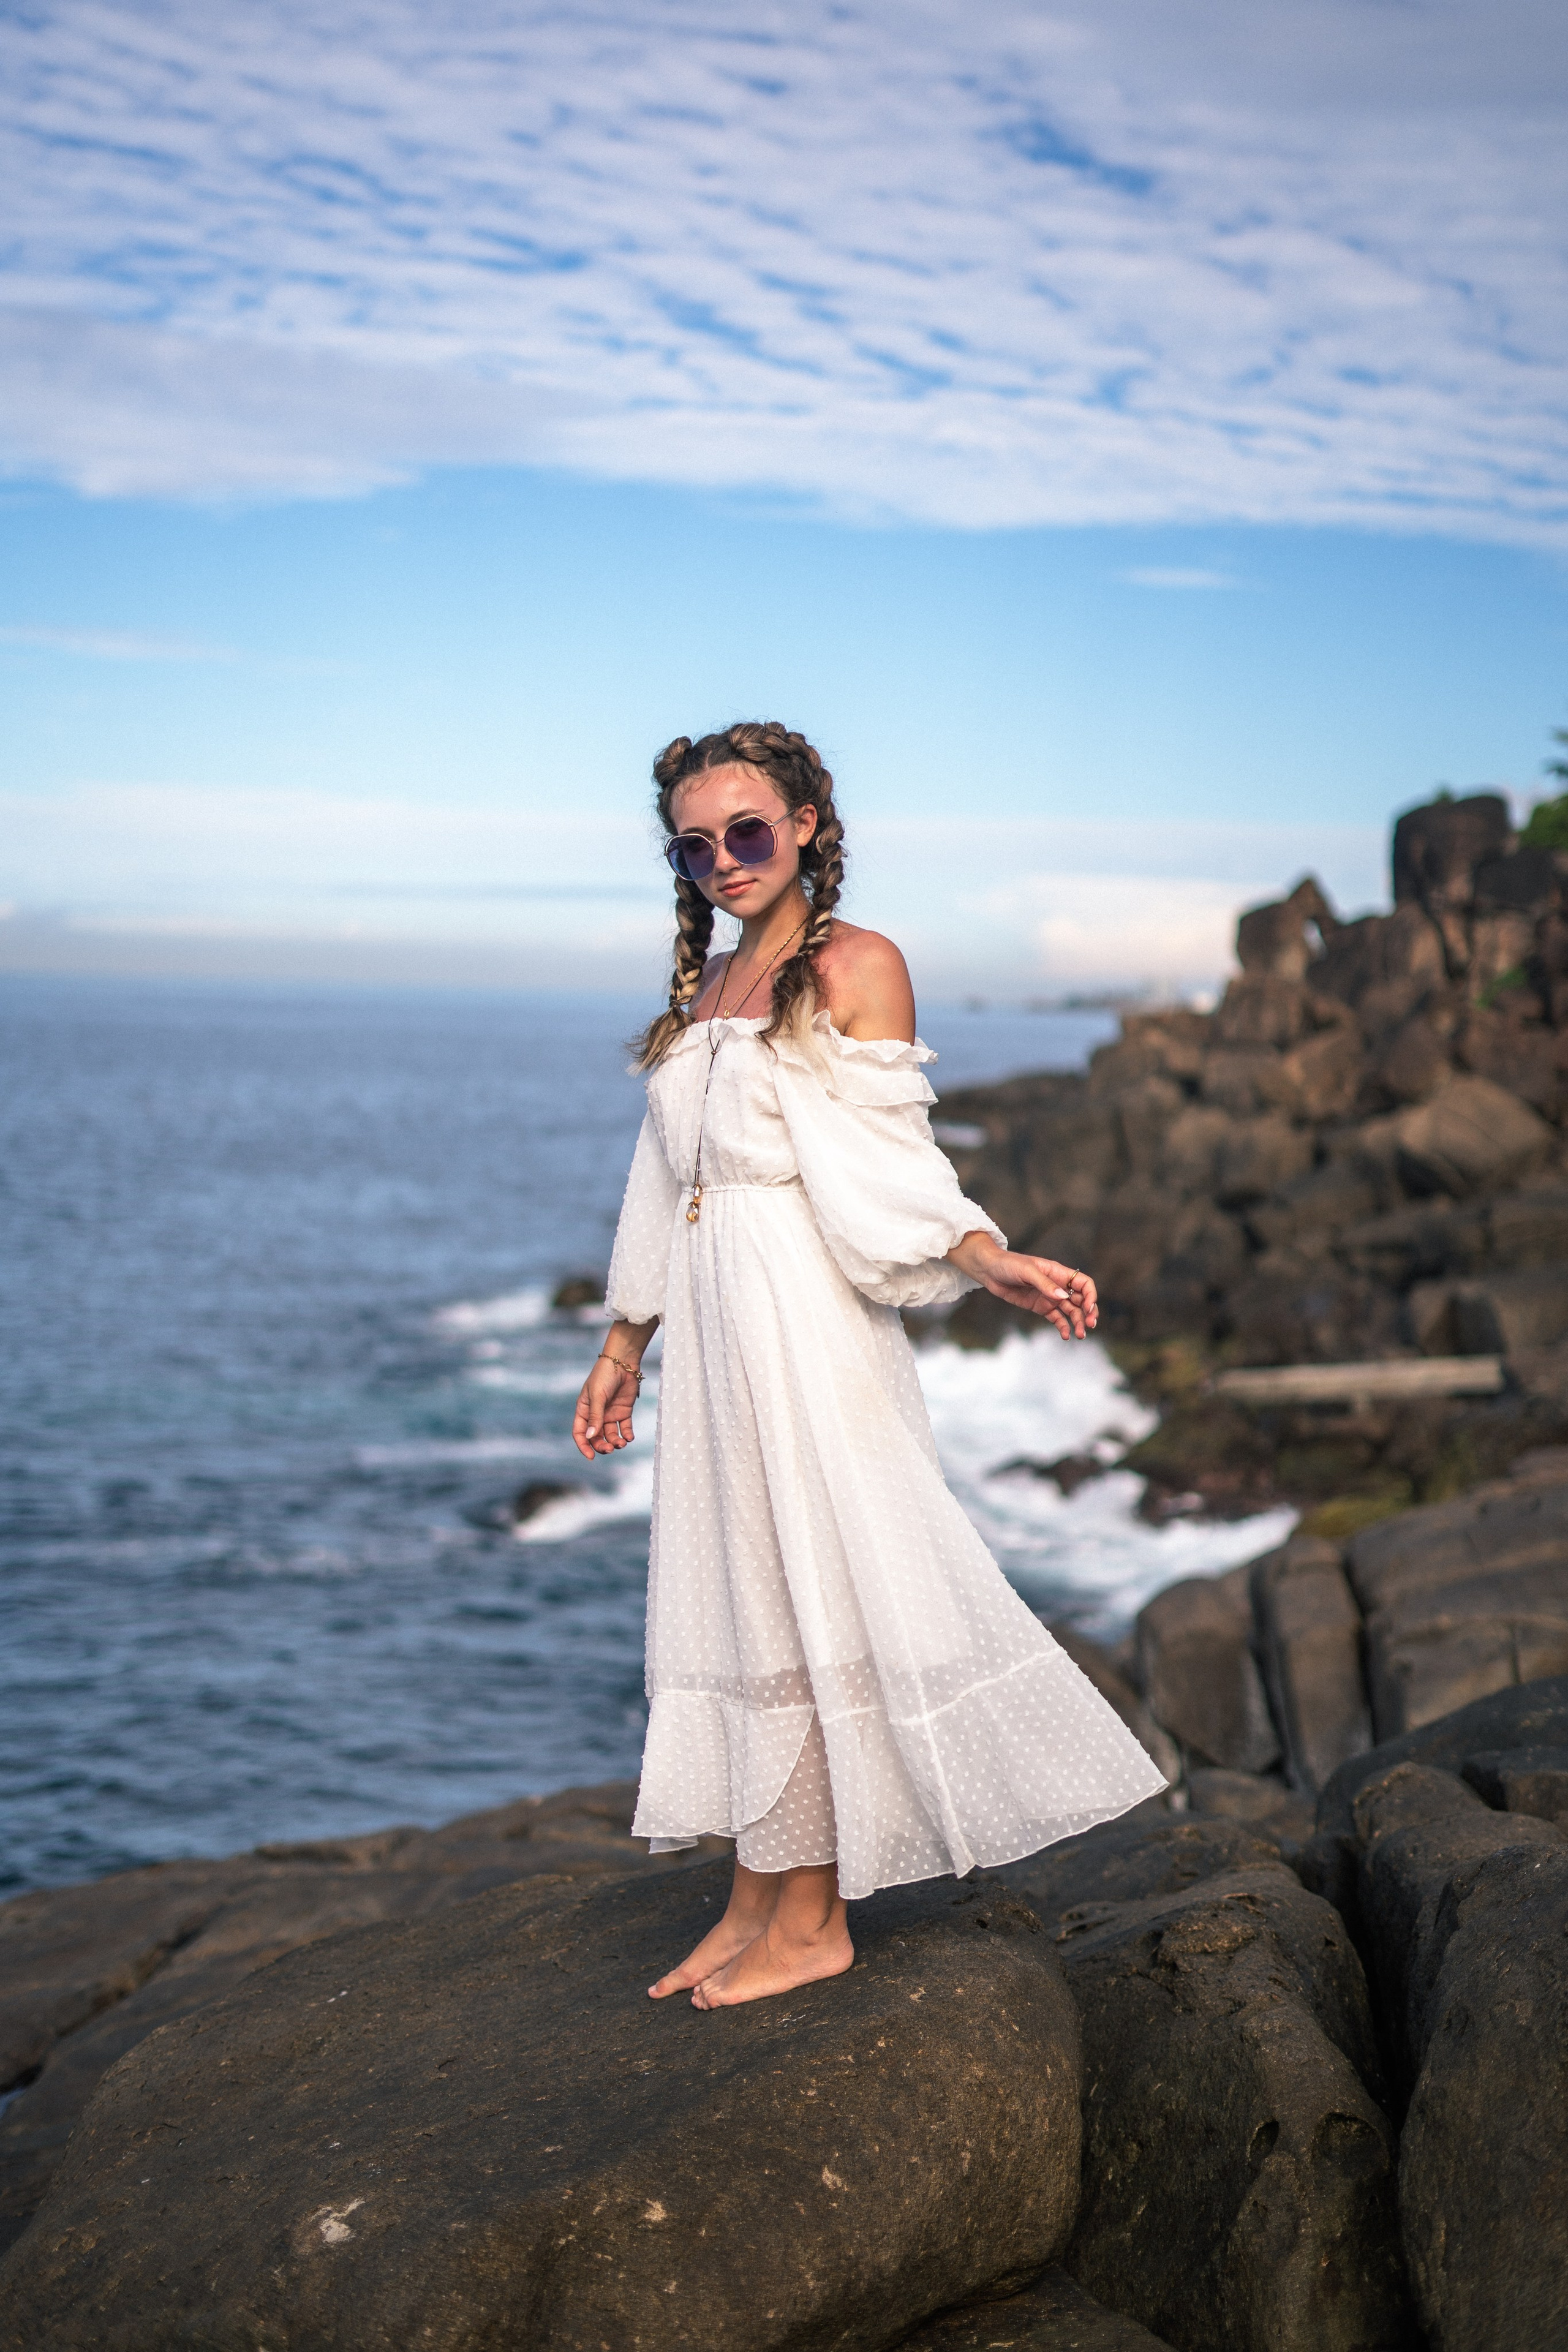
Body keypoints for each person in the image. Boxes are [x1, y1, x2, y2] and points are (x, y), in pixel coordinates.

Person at [573, 722, 1164, 2010]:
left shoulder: (856, 964)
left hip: (804, 1314)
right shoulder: (707, 993)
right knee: (738, 1593)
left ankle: (814, 1917)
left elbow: (890, 1160)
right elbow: (663, 1178)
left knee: (817, 1589)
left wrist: (982, 1255)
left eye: (745, 831)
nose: (722, 859)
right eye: (694, 842)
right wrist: (627, 1340)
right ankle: (754, 1891)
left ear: (801, 827)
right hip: (720, 1322)